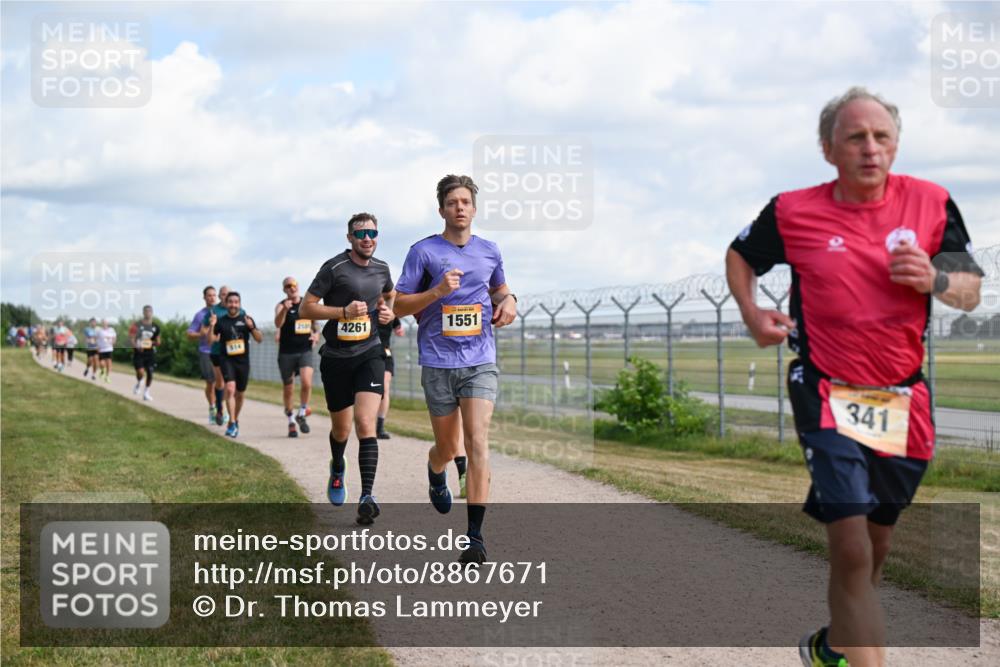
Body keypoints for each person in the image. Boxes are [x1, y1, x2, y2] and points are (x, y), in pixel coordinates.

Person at [725, 87, 983, 667]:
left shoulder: (932, 202)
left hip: (902, 398)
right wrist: (752, 312)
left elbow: (969, 292)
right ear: (828, 149)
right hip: (826, 389)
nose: (871, 148)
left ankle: (834, 646)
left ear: (896, 144)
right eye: (855, 137)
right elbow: (740, 255)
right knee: (851, 548)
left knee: (875, 544)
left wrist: (935, 281)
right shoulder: (793, 210)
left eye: (881, 136)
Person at [393, 175, 517, 565]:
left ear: (474, 209)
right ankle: (436, 468)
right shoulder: (423, 252)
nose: (459, 208)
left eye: (465, 202)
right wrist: (437, 292)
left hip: (479, 360)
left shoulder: (489, 251)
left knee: (477, 441)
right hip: (438, 361)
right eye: (452, 202)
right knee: (448, 447)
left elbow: (499, 289)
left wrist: (510, 300)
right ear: (442, 209)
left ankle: (475, 538)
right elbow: (398, 305)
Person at [300, 212, 396, 526]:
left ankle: (367, 496)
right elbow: (306, 308)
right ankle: (338, 465)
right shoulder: (334, 268)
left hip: (370, 353)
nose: (367, 238)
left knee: (365, 422)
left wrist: (387, 312)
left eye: (372, 233)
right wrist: (342, 311)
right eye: (361, 233)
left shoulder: (382, 268)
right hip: (337, 357)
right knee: (341, 430)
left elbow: (390, 295)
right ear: (350, 238)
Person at [210, 291, 263, 438]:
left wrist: (251, 327)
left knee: (240, 393)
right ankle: (232, 422)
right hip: (227, 360)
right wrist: (212, 326)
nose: (233, 305)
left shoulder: (246, 319)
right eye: (230, 302)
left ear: (239, 304)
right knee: (230, 388)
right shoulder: (221, 321)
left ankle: (234, 419)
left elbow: (259, 339)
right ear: (226, 303)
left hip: (243, 362)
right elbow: (211, 340)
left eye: (236, 302)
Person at [274, 276, 319, 438]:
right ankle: (291, 420)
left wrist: (316, 335)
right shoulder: (281, 305)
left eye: (293, 285)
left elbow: (315, 325)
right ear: (284, 290)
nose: (291, 288)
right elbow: (278, 324)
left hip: (305, 350)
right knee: (289, 388)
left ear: (298, 286)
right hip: (287, 352)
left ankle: (302, 412)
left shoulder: (306, 304)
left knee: (307, 382)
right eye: (288, 286)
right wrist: (285, 310)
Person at [201, 284, 242, 426]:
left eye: (228, 294)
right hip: (217, 351)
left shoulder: (239, 310)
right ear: (220, 296)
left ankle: (228, 411)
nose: (226, 297)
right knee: (220, 383)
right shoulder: (213, 311)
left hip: (233, 352)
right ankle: (219, 409)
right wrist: (212, 330)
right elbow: (205, 331)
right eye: (223, 294)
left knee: (231, 385)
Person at [188, 286, 220, 423]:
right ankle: (213, 408)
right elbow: (189, 334)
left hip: (222, 351)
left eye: (214, 295)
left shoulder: (221, 312)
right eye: (209, 295)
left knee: (223, 383)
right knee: (211, 383)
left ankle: (219, 407)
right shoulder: (200, 315)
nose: (212, 298)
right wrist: (200, 334)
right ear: (204, 297)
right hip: (206, 351)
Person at [375, 313, 402, 439]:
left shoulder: (391, 312)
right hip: (367, 353)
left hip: (385, 353)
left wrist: (399, 329)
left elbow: (398, 327)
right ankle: (366, 420)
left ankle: (379, 427)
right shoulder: (367, 308)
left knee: (384, 388)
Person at [129, 305, 161, 401]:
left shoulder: (155, 327)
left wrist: (151, 343)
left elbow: (158, 341)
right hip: (139, 353)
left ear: (152, 313)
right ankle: (139, 382)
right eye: (146, 311)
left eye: (150, 311)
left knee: (150, 373)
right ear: (143, 313)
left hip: (150, 353)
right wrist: (137, 346)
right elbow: (132, 339)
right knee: (140, 372)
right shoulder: (136, 325)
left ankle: (146, 393)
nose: (148, 313)